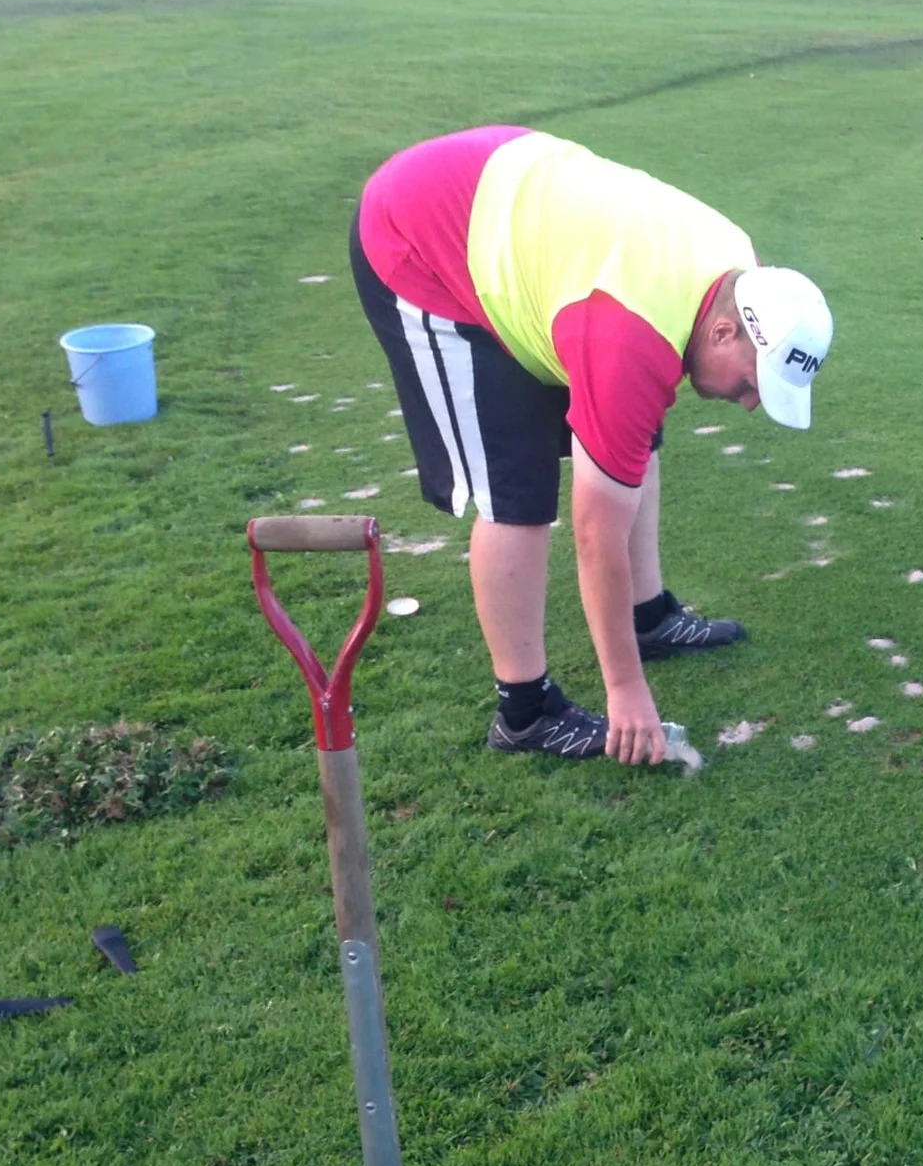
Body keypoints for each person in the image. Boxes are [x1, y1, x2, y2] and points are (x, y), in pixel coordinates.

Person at [351, 126, 833, 766]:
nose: (749, 402)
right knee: (516, 489)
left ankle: (648, 616)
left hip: (517, 221)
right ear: (722, 333)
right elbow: (594, 536)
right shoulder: (630, 336)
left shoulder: (738, 272)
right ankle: (524, 711)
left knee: (634, 431)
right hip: (422, 236)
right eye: (752, 383)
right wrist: (626, 691)